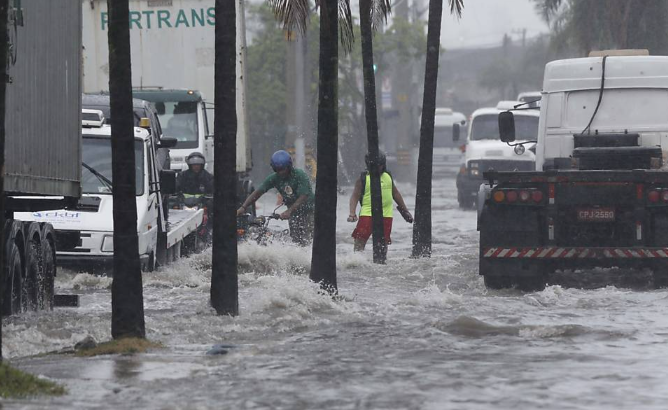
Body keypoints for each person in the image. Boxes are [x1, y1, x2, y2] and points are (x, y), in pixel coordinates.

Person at [237, 150, 315, 246]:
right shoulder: (274, 178)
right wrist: (243, 207)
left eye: (283, 169)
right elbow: (257, 193)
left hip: (310, 212)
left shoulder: (300, 175)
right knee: (297, 242)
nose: (281, 172)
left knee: (308, 241)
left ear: (289, 166)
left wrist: (289, 211)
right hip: (294, 215)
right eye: (277, 170)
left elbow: (304, 196)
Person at [347, 151, 413, 252]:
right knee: (360, 239)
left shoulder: (388, 176)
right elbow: (355, 196)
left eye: (381, 165)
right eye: (376, 166)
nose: (379, 168)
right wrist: (352, 213)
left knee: (383, 243)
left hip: (386, 214)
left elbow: (395, 194)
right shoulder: (363, 178)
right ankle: (356, 260)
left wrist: (405, 211)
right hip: (367, 213)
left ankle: (381, 263)